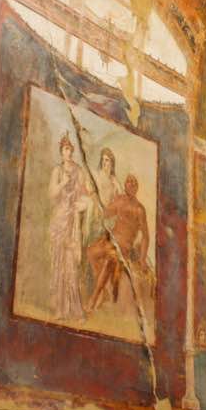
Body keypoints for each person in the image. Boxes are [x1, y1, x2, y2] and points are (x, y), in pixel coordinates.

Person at [84, 174, 152, 313]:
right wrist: (95, 197)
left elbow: (146, 236)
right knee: (90, 252)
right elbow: (106, 214)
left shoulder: (139, 209)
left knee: (110, 259)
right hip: (110, 240)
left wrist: (143, 259)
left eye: (134, 182)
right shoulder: (119, 200)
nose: (131, 184)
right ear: (125, 184)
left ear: (137, 187)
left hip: (124, 247)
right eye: (129, 181)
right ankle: (104, 289)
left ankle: (95, 296)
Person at [48, 133, 90, 321]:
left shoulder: (79, 171)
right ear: (61, 152)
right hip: (59, 220)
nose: (69, 152)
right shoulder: (57, 170)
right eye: (66, 149)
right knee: (58, 264)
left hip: (72, 219)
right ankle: (60, 309)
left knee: (71, 264)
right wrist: (63, 183)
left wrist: (84, 204)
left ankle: (75, 309)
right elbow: (51, 194)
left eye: (71, 149)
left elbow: (84, 193)